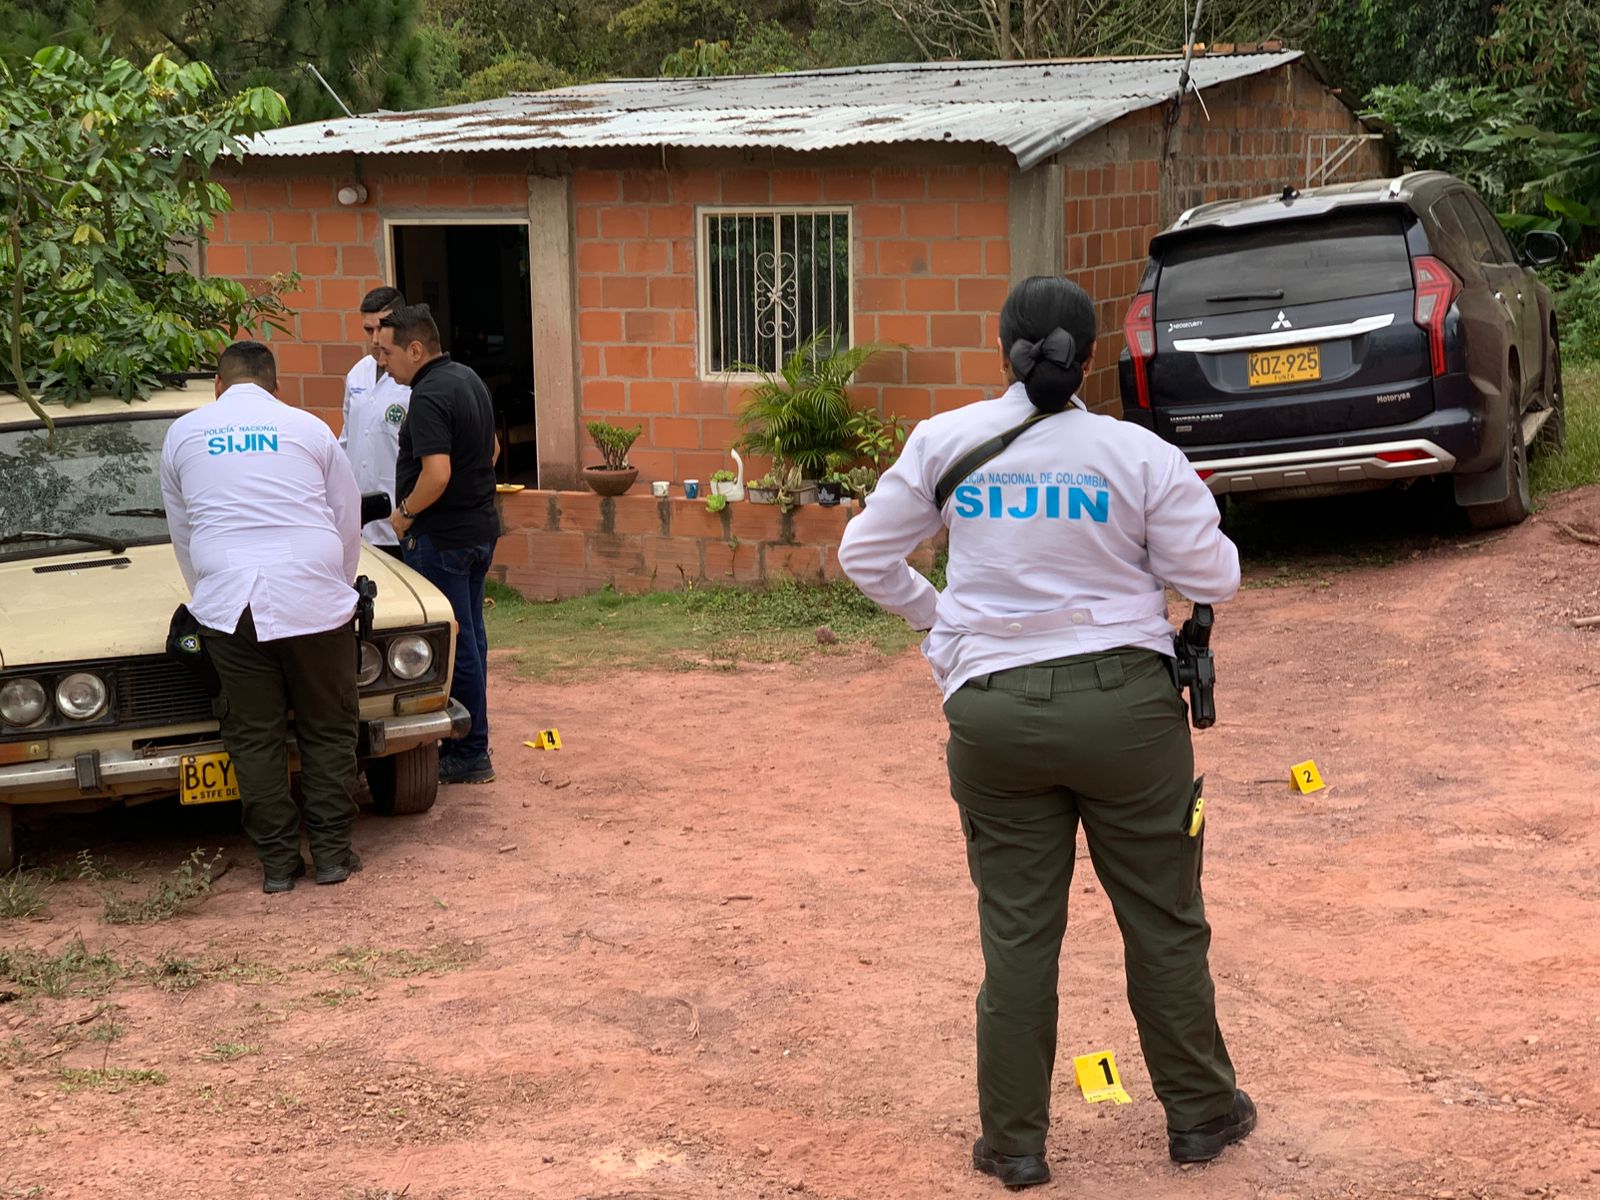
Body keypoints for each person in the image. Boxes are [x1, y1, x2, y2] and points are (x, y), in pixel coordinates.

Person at [838, 276, 1253, 1189]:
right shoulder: (1136, 453)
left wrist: (941, 619)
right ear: (1091, 354)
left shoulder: (945, 441)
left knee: (1019, 934)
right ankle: (1200, 1116)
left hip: (994, 712)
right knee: (1164, 921)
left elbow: (865, 554)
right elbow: (1211, 576)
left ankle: (1015, 1144)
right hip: (1129, 715)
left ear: (1003, 350)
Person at [159, 341, 365, 894]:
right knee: (328, 729)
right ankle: (333, 857)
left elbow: (185, 531)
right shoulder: (309, 428)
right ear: (277, 387)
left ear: (218, 387)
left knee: (254, 738)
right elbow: (347, 519)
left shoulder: (183, 433)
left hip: (228, 603)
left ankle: (277, 866)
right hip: (315, 593)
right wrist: (337, 590)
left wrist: (208, 594)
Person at [374, 303, 499, 786]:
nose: (382, 362)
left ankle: (469, 751)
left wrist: (404, 514)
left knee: (452, 644)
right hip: (478, 529)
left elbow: (437, 473)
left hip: (443, 535)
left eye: (387, 352)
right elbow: (489, 451)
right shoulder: (468, 379)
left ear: (416, 348)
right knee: (472, 639)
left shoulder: (427, 396)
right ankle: (473, 740)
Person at [340, 286, 412, 556]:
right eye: (368, 330)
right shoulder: (357, 374)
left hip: (403, 519)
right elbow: (347, 440)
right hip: (361, 523)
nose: (375, 338)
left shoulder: (416, 379)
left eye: (381, 328)